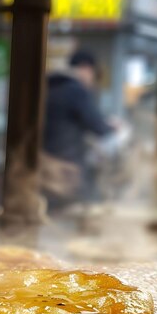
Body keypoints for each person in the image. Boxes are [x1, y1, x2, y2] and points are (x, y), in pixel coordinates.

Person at [42, 50, 115, 205]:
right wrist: (112, 126)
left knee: (50, 212)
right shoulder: (75, 90)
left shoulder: (50, 86)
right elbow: (98, 127)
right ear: (86, 69)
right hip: (65, 168)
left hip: (43, 163)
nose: (92, 81)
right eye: (93, 75)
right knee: (70, 213)